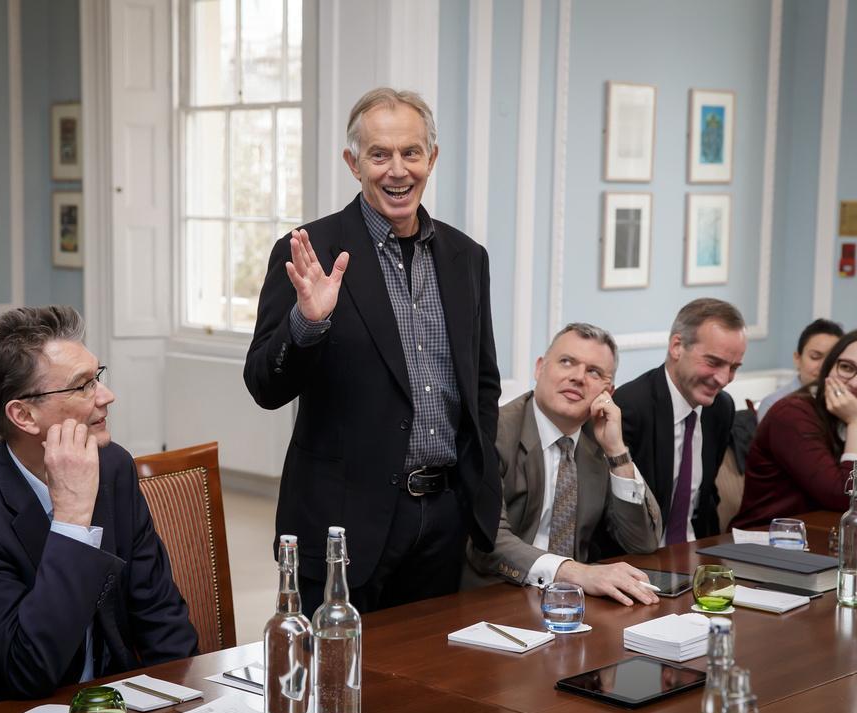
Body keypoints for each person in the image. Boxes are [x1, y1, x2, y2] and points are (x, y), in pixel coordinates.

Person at [244, 88, 500, 614]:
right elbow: (264, 385)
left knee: (428, 688)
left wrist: (470, 498)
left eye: (410, 152)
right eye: (379, 154)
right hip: (341, 524)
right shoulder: (309, 251)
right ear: (353, 163)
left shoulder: (467, 258)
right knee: (332, 686)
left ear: (432, 158)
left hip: (442, 521)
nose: (397, 170)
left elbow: (483, 384)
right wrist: (308, 323)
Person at [0, 306, 197, 713]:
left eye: (97, 377)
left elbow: (163, 620)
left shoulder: (114, 467)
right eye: (82, 386)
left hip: (111, 708)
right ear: (23, 415)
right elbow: (30, 670)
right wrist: (71, 518)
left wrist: (182, 712)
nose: (106, 396)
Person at [464, 324, 662, 605]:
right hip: (494, 599)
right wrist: (574, 573)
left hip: (572, 607)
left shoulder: (600, 441)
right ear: (540, 368)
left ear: (609, 391)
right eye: (567, 362)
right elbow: (488, 541)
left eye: (594, 372)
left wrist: (617, 452)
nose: (578, 377)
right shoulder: (494, 433)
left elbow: (642, 542)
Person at [733, 329, 857, 528]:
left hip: (831, 541)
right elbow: (847, 500)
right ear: (829, 367)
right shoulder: (791, 414)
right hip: (766, 542)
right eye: (846, 367)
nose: (855, 382)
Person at [613, 299, 747, 545]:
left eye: (734, 367)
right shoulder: (630, 407)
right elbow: (614, 518)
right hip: (639, 558)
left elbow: (705, 499)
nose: (724, 378)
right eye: (714, 362)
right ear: (677, 346)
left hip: (695, 553)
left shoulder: (721, 408)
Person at [756, 318, 844, 419]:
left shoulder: (847, 402)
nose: (823, 366)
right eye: (815, 357)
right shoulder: (774, 403)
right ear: (797, 359)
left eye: (832, 359)